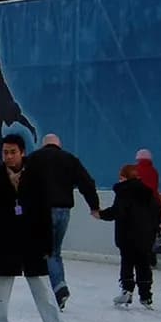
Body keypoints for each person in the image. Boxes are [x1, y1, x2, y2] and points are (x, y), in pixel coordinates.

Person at [0, 134, 73, 322]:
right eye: (5, 152)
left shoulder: (36, 175)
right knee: (1, 285)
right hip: (5, 238)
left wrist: (47, 244)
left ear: (22, 152)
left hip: (32, 239)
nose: (8, 156)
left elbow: (45, 210)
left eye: (13, 152)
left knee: (42, 287)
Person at [23, 133, 100, 311]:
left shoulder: (34, 158)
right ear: (59, 144)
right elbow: (87, 182)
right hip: (63, 211)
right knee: (55, 252)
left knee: (45, 252)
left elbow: (21, 182)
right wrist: (94, 206)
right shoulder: (70, 159)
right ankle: (57, 288)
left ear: (44, 144)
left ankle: (57, 288)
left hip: (41, 211)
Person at [97, 164, 161, 309]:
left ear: (123, 177)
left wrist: (101, 214)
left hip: (128, 235)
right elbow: (157, 213)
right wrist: (153, 230)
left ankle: (127, 290)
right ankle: (146, 296)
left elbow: (118, 211)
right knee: (144, 263)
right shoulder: (148, 192)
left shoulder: (124, 191)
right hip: (146, 236)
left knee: (127, 261)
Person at [0, 35, 37, 161]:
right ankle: (1, 157)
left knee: (15, 118)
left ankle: (31, 128)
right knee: (0, 128)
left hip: (4, 102)